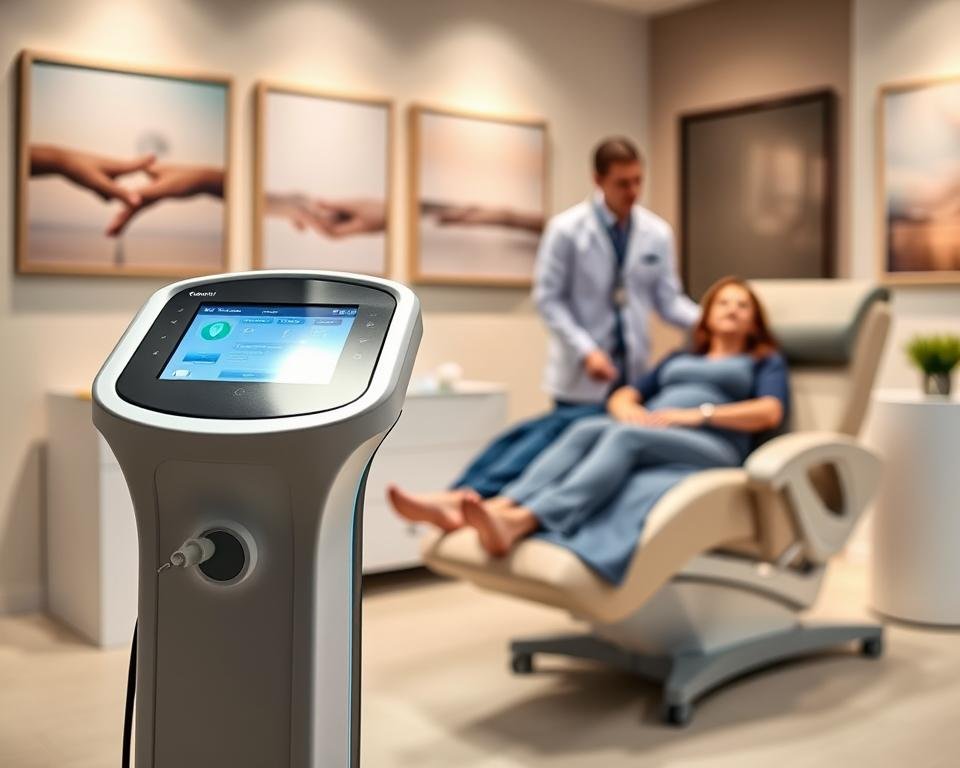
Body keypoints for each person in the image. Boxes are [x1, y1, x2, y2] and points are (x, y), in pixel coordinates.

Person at [391, 276, 790, 584]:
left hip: (713, 445)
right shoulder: (679, 357)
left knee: (622, 437)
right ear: (707, 314)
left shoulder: (762, 362)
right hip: (655, 431)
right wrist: (628, 407)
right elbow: (625, 394)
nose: (732, 309)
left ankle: (525, 520)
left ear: (755, 320)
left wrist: (699, 414)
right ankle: (497, 508)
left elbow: (769, 412)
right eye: (723, 302)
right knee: (587, 428)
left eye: (743, 305)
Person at [387, 137, 699, 526]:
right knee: (546, 438)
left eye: (638, 181)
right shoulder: (567, 229)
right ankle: (467, 498)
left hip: (631, 378)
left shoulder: (656, 233)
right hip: (584, 371)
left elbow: (670, 301)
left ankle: (464, 498)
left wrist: (709, 320)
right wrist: (587, 350)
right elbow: (549, 300)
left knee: (554, 440)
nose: (633, 192)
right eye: (623, 183)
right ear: (598, 180)